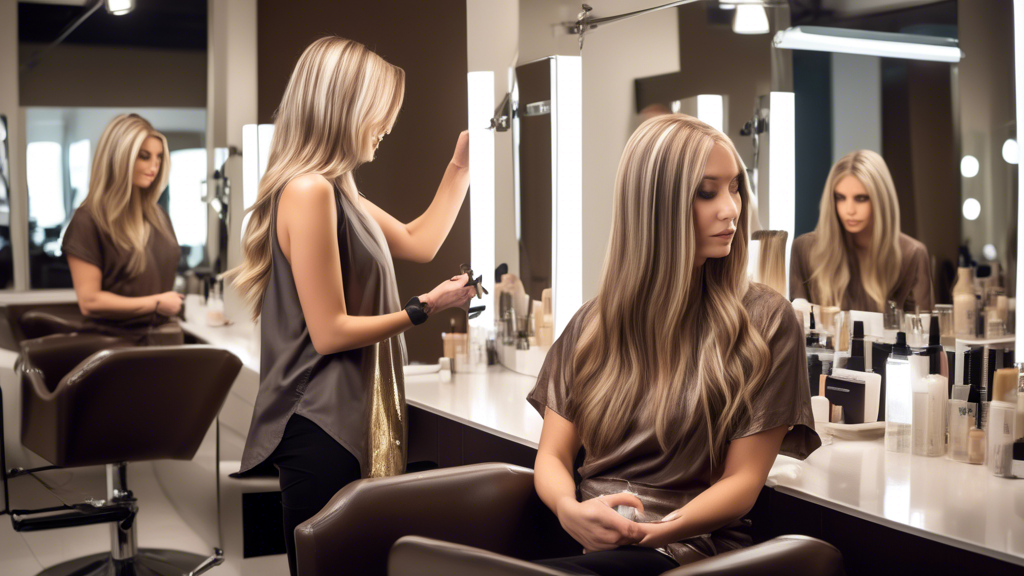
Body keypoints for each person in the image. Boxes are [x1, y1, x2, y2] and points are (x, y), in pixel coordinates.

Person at [227, 37, 476, 576]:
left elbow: (419, 240)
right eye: (381, 113)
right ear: (344, 106)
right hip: (320, 424)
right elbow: (330, 332)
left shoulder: (339, 190)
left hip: (346, 412)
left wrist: (460, 167)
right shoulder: (308, 191)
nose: (387, 127)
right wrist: (423, 308)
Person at [528, 114, 819, 575]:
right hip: (588, 544)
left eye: (735, 187)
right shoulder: (593, 323)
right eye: (708, 192)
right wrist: (569, 510)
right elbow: (553, 455)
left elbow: (743, 480)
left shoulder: (765, 322)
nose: (731, 209)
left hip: (687, 551)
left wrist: (649, 533)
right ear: (656, 206)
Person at [62, 113, 184, 345]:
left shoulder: (159, 217)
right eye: (144, 156)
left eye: (158, 157)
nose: (154, 166)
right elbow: (90, 302)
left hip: (163, 339)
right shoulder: (88, 219)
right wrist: (156, 303)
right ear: (119, 159)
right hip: (115, 346)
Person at [790, 150, 933, 312]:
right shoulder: (804, 249)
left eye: (861, 198)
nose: (849, 210)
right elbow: (797, 326)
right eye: (840, 197)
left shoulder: (912, 254)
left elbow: (923, 333)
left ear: (881, 200)